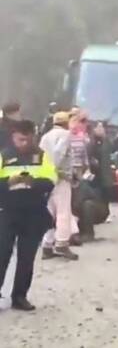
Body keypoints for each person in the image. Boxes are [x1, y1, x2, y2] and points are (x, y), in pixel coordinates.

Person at [0, 120, 57, 311]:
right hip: (8, 212)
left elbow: (51, 180)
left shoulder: (41, 156)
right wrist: (9, 182)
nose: (23, 143)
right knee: (2, 254)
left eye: (26, 139)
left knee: (27, 258)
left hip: (33, 213)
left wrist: (32, 182)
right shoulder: (4, 156)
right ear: (13, 137)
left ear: (33, 137)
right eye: (19, 139)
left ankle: (19, 296)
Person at [39, 111, 79, 260]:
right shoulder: (66, 135)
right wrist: (58, 171)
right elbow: (58, 154)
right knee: (63, 212)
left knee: (49, 212)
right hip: (60, 178)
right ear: (65, 122)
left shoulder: (45, 137)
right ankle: (62, 243)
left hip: (46, 179)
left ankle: (47, 245)